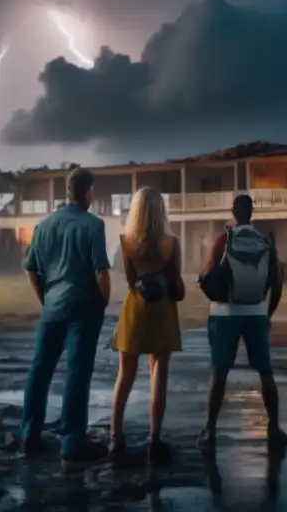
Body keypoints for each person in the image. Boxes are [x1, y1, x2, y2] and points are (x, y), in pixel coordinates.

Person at [21, 167, 111, 468]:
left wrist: (45, 300)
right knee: (77, 372)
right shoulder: (93, 225)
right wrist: (102, 303)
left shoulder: (44, 225)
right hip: (83, 308)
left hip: (52, 307)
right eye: (93, 191)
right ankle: (72, 441)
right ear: (87, 192)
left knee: (40, 370)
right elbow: (101, 271)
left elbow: (30, 268)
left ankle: (29, 434)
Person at [198, 194, 287, 450]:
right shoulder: (266, 242)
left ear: (233, 213)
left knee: (220, 373)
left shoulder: (224, 239)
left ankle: (210, 429)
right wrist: (266, 314)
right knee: (265, 373)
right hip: (256, 313)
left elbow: (206, 273)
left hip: (225, 313)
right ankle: (274, 427)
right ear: (252, 213)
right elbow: (277, 285)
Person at [109, 186, 185, 463]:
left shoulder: (125, 241)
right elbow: (177, 282)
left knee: (125, 375)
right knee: (159, 375)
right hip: (162, 309)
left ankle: (115, 438)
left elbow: (130, 280)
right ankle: (154, 439)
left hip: (135, 308)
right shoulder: (170, 243)